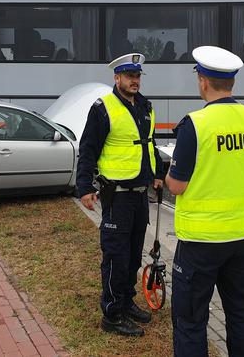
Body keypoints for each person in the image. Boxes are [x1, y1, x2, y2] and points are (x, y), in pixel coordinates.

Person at [165, 46, 244, 357]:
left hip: (202, 240)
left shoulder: (195, 125)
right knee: (241, 315)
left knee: (191, 320)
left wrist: (167, 173)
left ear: (202, 82)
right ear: (232, 83)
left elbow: (178, 185)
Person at [77, 52, 164, 337]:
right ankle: (112, 314)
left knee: (133, 255)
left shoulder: (146, 107)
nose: (134, 81)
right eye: (129, 76)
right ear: (117, 78)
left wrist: (159, 173)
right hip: (117, 195)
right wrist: (85, 187)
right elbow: (88, 148)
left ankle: (127, 302)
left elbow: (149, 144)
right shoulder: (103, 108)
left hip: (140, 194)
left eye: (137, 76)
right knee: (115, 255)